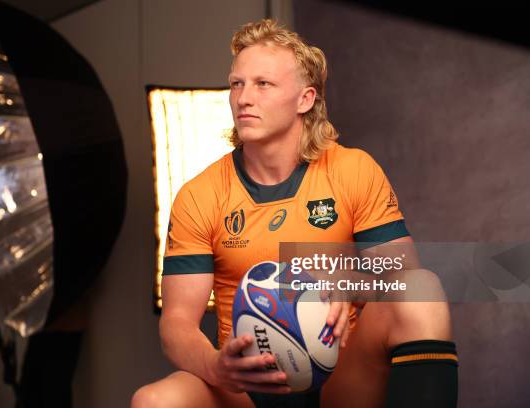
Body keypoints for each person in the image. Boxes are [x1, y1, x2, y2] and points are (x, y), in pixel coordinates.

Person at [132, 19, 458, 408]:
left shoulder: (352, 169)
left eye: (262, 84)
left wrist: (348, 282)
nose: (243, 98)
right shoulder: (200, 195)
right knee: (154, 400)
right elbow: (177, 324)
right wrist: (216, 367)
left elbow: (405, 275)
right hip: (247, 389)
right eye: (236, 83)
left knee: (423, 291)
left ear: (305, 99)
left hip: (342, 382)